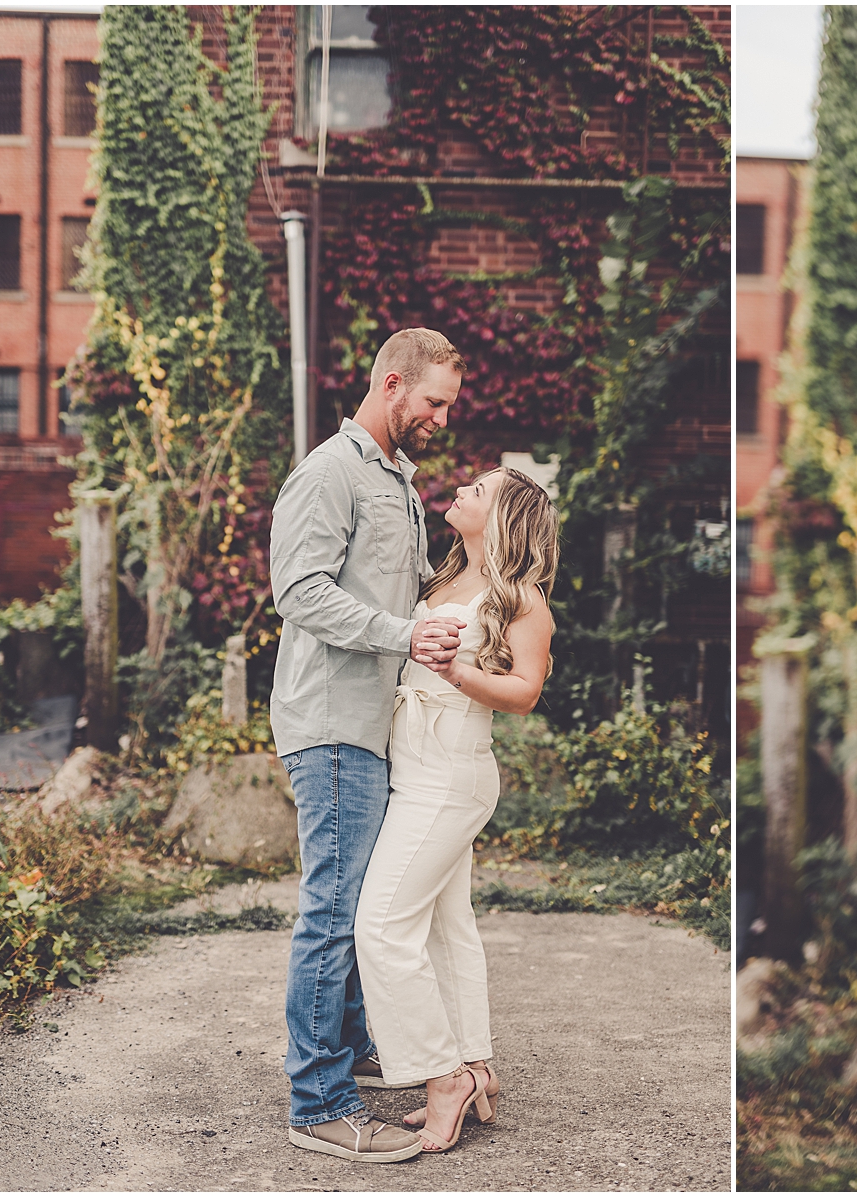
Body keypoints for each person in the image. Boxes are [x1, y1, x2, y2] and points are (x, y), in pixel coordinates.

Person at [270, 327, 469, 1163]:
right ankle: (318, 1100)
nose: (441, 418)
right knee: (333, 907)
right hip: (330, 722)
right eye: (434, 402)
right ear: (393, 384)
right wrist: (404, 633)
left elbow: (407, 589)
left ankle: (348, 1051)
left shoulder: (395, 478)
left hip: (374, 726)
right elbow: (299, 590)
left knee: (357, 902)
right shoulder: (329, 472)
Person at [353, 466, 559, 1154]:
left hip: (451, 776)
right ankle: (474, 1062)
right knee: (447, 926)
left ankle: (442, 1077)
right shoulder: (444, 582)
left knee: (381, 925)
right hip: (413, 768)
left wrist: (457, 673)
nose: (463, 488)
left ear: (503, 515)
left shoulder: (522, 599)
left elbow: (526, 690)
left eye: (480, 487)